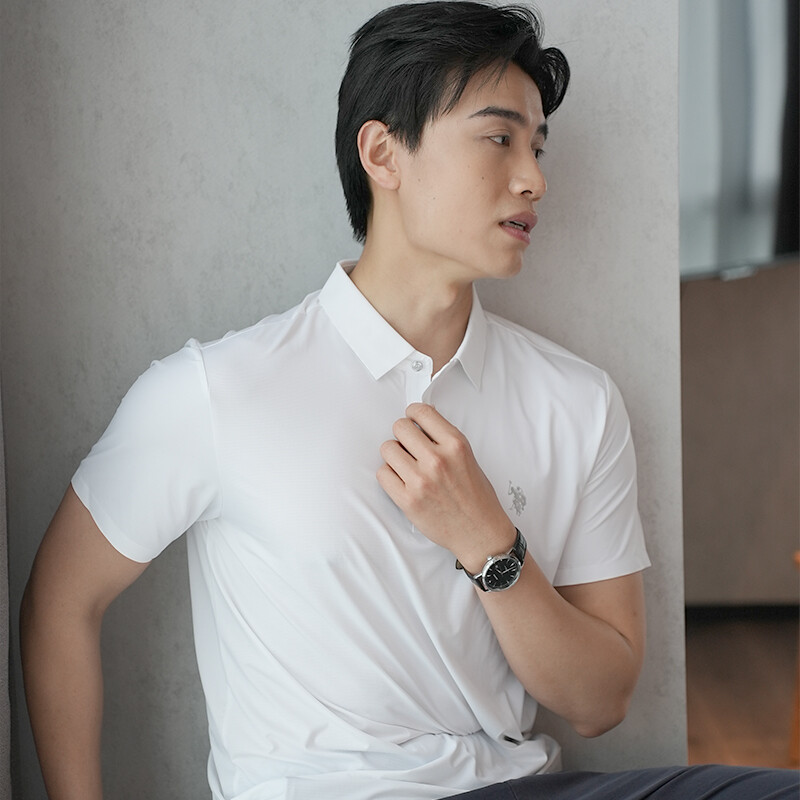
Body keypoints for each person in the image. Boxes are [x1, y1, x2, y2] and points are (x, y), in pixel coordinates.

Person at [19, 3, 799, 799]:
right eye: (498, 138)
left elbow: (601, 702)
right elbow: (60, 602)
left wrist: (490, 545)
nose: (534, 178)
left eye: (537, 147)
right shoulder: (216, 392)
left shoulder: (578, 402)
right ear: (383, 153)